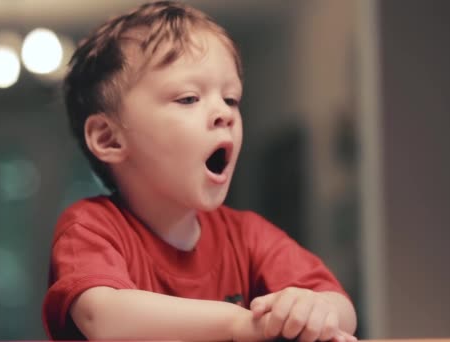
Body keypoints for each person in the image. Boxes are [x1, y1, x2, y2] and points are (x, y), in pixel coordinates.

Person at [42, 1, 358, 341]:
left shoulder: (248, 236)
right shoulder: (89, 229)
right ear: (109, 138)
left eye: (231, 99)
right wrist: (240, 323)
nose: (225, 113)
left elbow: (342, 310)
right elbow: (102, 316)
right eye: (189, 98)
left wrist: (311, 309)